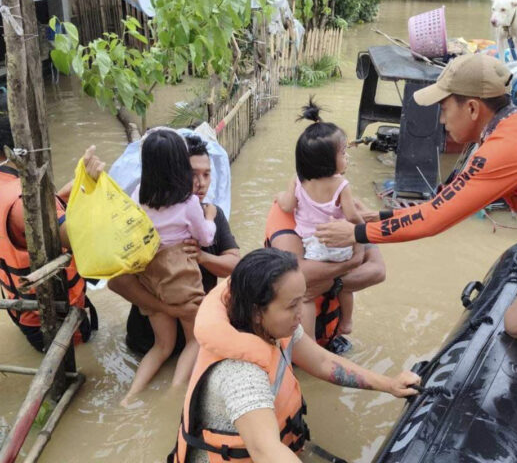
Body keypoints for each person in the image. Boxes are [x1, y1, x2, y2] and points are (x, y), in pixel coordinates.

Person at [315, 53, 517, 428]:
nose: (440, 118)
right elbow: (442, 201)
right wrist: (383, 217)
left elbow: (435, 220)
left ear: (471, 107)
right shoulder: (502, 134)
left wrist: (356, 232)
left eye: (443, 107)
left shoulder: (507, 150)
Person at [168, 248, 419, 463]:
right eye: (292, 306)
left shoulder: (274, 327)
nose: (301, 313)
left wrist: (389, 384)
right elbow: (266, 451)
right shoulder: (240, 374)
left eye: (301, 301)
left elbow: (322, 361)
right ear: (257, 312)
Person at [109, 134, 240, 356]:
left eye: (207, 174)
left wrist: (203, 257)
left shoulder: (211, 214)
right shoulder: (145, 220)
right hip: (149, 338)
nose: (201, 183)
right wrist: (168, 309)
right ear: (174, 171)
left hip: (191, 337)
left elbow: (236, 267)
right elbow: (117, 281)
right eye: (192, 174)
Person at [120, 127, 216, 406]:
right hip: (178, 275)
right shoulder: (188, 203)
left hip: (148, 275)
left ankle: (129, 397)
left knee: (162, 346)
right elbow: (206, 238)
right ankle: (175, 392)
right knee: (195, 339)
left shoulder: (138, 194)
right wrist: (209, 215)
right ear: (179, 166)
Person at [0, 94, 99, 351]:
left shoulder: (9, 190)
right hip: (55, 317)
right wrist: (95, 193)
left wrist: (80, 183)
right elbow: (79, 240)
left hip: (22, 308)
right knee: (83, 360)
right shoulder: (23, 200)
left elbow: (41, 220)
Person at [276, 99, 365, 336]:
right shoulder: (341, 184)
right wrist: (363, 229)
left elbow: (286, 205)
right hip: (339, 245)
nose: (347, 157)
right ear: (328, 161)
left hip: (313, 247)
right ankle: (346, 323)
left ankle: (309, 339)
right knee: (345, 288)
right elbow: (352, 215)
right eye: (344, 153)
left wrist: (278, 196)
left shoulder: (297, 180)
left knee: (307, 295)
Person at [265, 201, 385, 350]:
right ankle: (312, 348)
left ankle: (342, 325)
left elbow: (378, 270)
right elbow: (300, 275)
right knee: (306, 295)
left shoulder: (348, 208)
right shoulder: (286, 211)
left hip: (331, 335)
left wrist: (334, 284)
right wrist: (350, 265)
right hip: (290, 341)